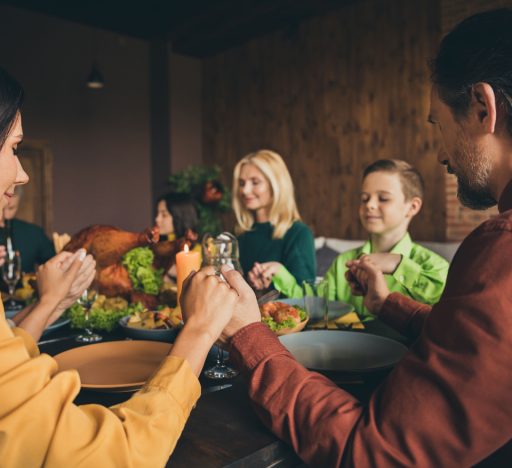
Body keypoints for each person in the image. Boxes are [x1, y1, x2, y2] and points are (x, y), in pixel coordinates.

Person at [0, 34, 240, 466]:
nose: (23, 174)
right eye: (13, 148)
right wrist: (198, 331)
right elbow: (114, 457)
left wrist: (49, 302)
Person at [216, 9, 512, 466]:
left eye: (438, 125)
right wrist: (387, 305)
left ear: (481, 108)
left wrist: (247, 335)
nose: (440, 153)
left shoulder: (499, 253)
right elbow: (479, 354)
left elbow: (376, 453)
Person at [259, 159, 449, 320]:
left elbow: (447, 303)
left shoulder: (434, 268)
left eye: (383, 198)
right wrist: (280, 273)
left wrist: (397, 263)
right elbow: (317, 303)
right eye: (365, 198)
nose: (370, 205)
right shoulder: (343, 261)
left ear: (412, 207)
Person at [233, 149, 316, 288]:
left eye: (255, 182)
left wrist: (279, 274)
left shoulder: (299, 234)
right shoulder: (240, 234)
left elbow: (307, 295)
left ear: (276, 185)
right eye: (242, 183)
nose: (245, 190)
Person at [155, 192, 200, 284]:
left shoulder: (197, 251)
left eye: (164, 215)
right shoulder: (162, 245)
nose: (157, 219)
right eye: (157, 214)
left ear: (179, 216)